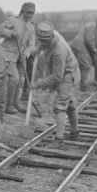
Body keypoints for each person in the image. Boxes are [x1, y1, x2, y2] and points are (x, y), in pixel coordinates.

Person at [31, 22, 80, 150]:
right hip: (64, 70)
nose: (43, 43)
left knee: (60, 105)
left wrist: (39, 83)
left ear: (51, 37)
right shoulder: (50, 35)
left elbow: (58, 77)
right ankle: (75, 133)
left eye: (45, 41)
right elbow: (43, 43)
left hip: (68, 74)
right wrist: (38, 49)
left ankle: (59, 140)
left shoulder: (59, 51)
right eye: (40, 40)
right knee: (69, 104)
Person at [0, 2, 36, 113]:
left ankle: (16, 103)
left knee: (20, 81)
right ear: (22, 11)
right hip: (7, 55)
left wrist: (26, 54)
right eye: (27, 12)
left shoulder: (31, 27)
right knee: (14, 79)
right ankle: (8, 106)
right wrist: (11, 33)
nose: (29, 15)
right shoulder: (13, 20)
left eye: (31, 13)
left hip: (21, 57)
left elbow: (32, 45)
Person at [69, 21, 97, 91]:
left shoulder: (94, 26)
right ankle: (83, 86)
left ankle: (79, 84)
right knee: (85, 66)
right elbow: (89, 39)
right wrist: (94, 49)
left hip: (78, 44)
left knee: (83, 66)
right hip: (80, 45)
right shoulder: (93, 26)